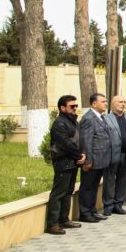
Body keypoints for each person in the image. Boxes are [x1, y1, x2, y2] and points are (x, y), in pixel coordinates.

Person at [45, 95, 86, 235]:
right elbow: (65, 144)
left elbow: (80, 140)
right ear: (62, 108)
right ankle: (52, 224)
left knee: (68, 192)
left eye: (76, 106)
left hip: (73, 162)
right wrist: (79, 156)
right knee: (58, 193)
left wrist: (83, 154)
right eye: (72, 106)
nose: (75, 108)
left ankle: (64, 219)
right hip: (63, 162)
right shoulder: (59, 124)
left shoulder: (73, 121)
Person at [78, 93, 112, 223]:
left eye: (105, 101)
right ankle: (85, 213)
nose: (105, 104)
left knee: (93, 186)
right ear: (94, 104)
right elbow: (86, 141)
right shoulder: (89, 118)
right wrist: (88, 160)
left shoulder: (100, 117)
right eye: (103, 101)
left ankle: (92, 210)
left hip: (101, 159)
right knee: (87, 186)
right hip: (92, 160)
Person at [101, 95, 126, 217]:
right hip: (112, 155)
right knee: (109, 181)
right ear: (113, 104)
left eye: (124, 102)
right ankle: (108, 205)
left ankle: (118, 204)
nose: (123, 104)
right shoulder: (106, 118)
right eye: (120, 102)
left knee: (122, 180)